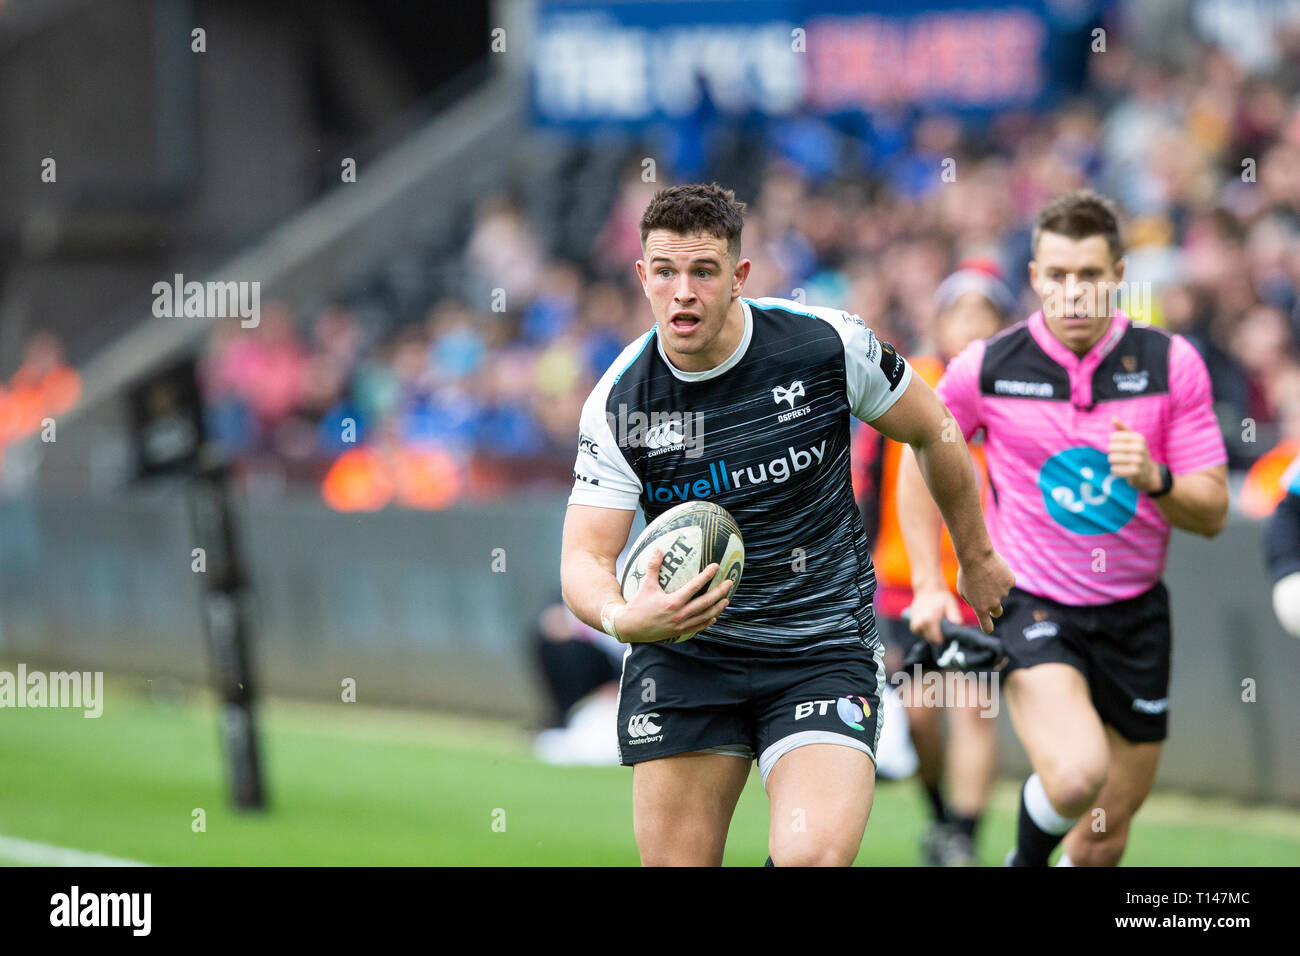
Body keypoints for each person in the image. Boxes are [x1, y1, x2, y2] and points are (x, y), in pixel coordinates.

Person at [559, 182, 1013, 866]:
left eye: (704, 272)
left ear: (738, 276)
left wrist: (975, 555)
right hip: (685, 656)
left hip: (820, 650)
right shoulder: (620, 401)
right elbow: (584, 560)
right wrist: (628, 619)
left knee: (811, 859)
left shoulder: (826, 345)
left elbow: (935, 428)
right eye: (666, 272)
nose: (683, 291)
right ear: (641, 276)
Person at [898, 190, 1229, 867]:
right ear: (1036, 279)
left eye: (1089, 276)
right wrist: (931, 583)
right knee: (1078, 775)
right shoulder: (988, 366)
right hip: (1032, 603)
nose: (1073, 292)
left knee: (1104, 836)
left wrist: (1157, 479)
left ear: (1117, 277)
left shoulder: (1171, 364)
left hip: (1137, 614)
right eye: (1058, 276)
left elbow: (1215, 510)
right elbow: (919, 454)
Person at [856, 262, 1012, 865]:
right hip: (903, 581)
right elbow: (867, 480)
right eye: (960, 312)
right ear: (940, 321)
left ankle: (964, 839)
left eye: (984, 313)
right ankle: (942, 817)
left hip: (981, 581)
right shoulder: (908, 386)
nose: (970, 325)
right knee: (918, 714)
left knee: (973, 706)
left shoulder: (1012, 395)